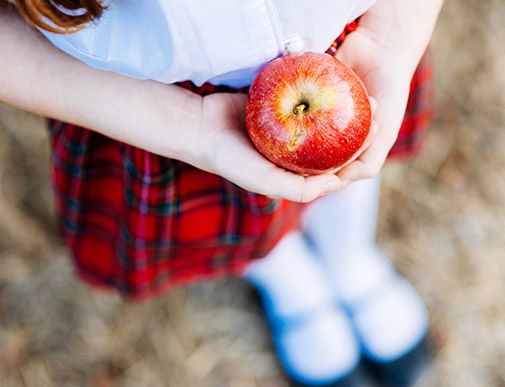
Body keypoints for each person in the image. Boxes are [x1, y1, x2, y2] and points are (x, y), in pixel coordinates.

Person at [0, 0, 443, 385]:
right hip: (149, 104)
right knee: (237, 215)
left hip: (345, 46)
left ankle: (349, 257)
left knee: (348, 167)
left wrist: (393, 37)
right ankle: (287, 277)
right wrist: (187, 128)